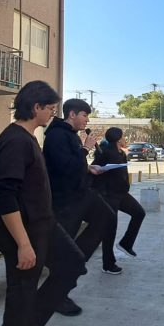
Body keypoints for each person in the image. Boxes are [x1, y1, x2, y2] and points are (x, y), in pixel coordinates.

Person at [0, 80, 60, 326]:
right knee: (19, 306)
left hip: (41, 229)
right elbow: (6, 197)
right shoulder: (15, 141)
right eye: (50, 108)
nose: (51, 114)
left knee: (70, 265)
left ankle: (33, 320)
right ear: (36, 108)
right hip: (25, 236)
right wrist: (23, 244)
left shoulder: (27, 138)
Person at [43, 99, 119, 305]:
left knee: (107, 217)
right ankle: (57, 295)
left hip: (81, 193)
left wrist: (88, 168)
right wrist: (85, 149)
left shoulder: (71, 136)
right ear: (72, 115)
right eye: (84, 115)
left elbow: (74, 163)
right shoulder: (57, 135)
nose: (87, 120)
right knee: (63, 253)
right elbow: (64, 166)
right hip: (65, 200)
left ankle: (76, 259)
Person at [92, 127, 146, 258]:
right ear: (118, 138)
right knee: (110, 230)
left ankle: (126, 244)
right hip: (108, 195)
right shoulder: (105, 152)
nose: (124, 139)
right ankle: (108, 264)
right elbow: (94, 169)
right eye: (123, 136)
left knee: (139, 213)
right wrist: (101, 170)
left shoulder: (121, 153)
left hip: (121, 193)